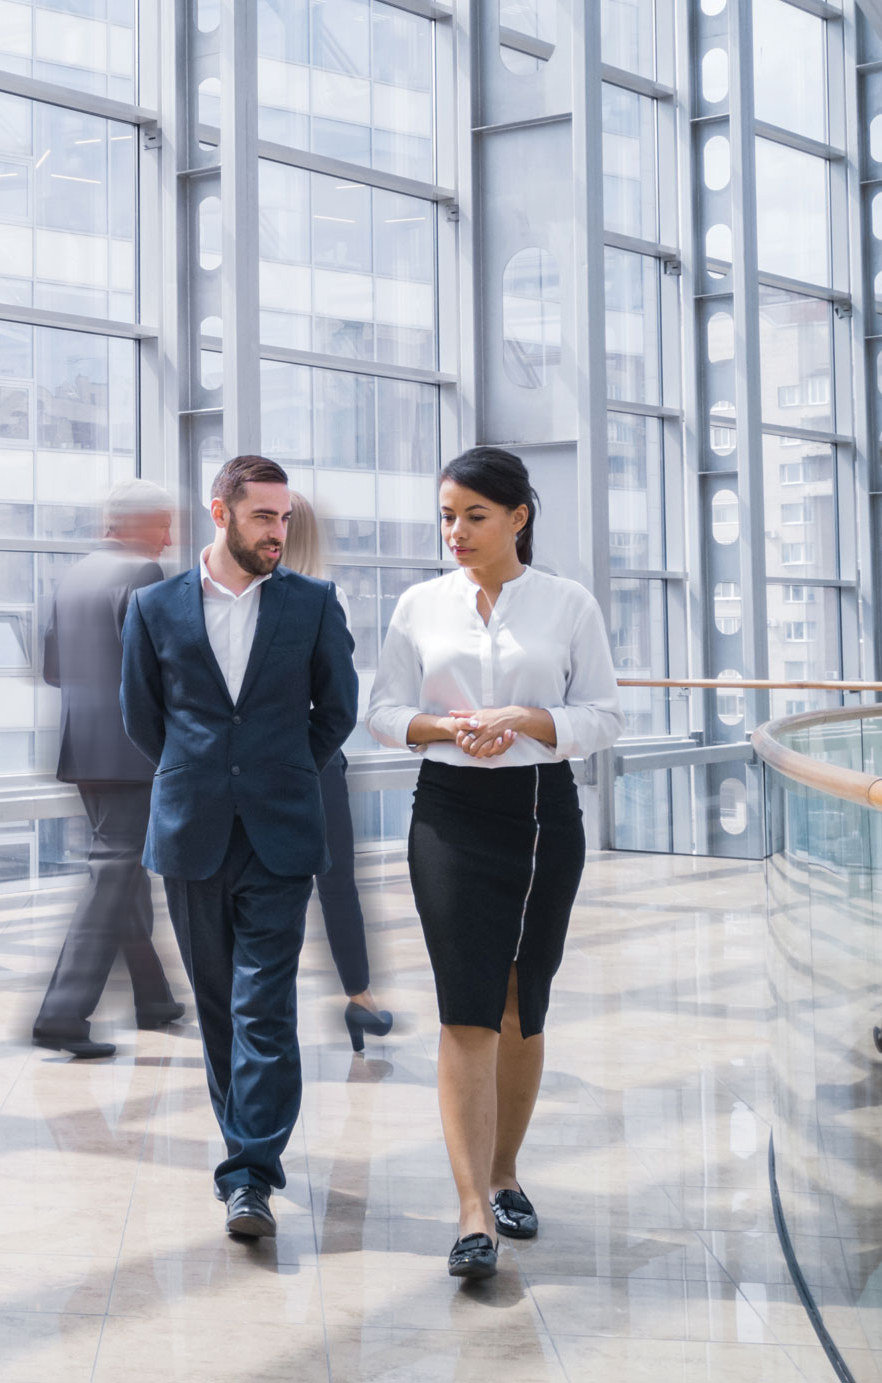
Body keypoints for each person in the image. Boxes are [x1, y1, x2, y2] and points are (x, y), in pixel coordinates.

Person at [366, 446, 624, 1282]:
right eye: (447, 514)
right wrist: (448, 728)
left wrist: (526, 717)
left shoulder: (568, 604)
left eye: (474, 515)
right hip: (448, 814)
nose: (457, 531)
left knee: (522, 998)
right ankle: (473, 1210)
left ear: (518, 517)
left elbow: (605, 715)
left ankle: (507, 1169)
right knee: (464, 1006)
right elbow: (383, 712)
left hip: (545, 813)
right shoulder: (418, 604)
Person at [120, 454, 358, 1240]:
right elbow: (143, 721)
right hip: (191, 829)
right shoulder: (153, 607)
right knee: (220, 1006)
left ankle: (250, 1171)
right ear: (220, 514)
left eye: (285, 519)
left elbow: (337, 711)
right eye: (265, 517)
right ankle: (244, 1158)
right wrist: (206, 775)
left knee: (264, 1004)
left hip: (282, 830)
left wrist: (280, 770)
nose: (279, 532)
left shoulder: (314, 604)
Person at [31, 480, 185, 1059]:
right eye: (162, 524)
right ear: (134, 525)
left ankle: (154, 998)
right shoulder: (142, 576)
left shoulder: (73, 576)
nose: (169, 537)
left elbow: (52, 668)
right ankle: (63, 1012)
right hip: (132, 753)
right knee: (113, 872)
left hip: (82, 749)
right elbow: (159, 672)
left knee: (121, 872)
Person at [279, 490, 393, 1052]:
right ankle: (359, 999)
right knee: (336, 883)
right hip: (316, 759)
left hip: (256, 763)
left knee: (272, 887)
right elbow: (338, 696)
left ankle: (266, 1007)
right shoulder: (327, 597)